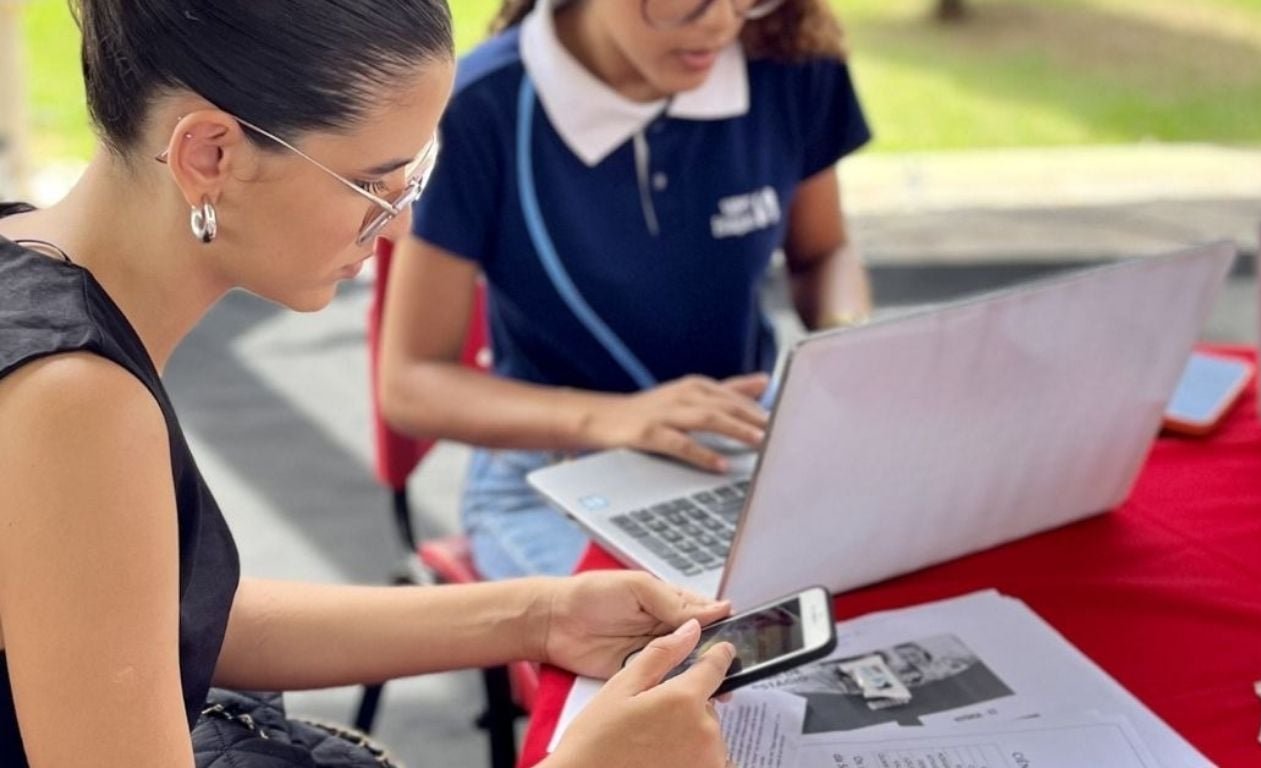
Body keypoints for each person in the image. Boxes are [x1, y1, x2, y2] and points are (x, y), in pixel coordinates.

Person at [0, 2, 740, 766]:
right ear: (210, 154)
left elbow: (157, 617)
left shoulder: (25, 261)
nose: (398, 226)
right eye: (377, 182)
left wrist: (540, 614)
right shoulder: (72, 401)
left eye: (417, 176)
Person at [379, 0, 875, 581]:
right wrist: (612, 419)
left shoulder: (791, 61)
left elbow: (822, 254)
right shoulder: (477, 107)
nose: (721, 22)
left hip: (746, 442)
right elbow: (410, 386)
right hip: (551, 476)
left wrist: (851, 346)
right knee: (690, 644)